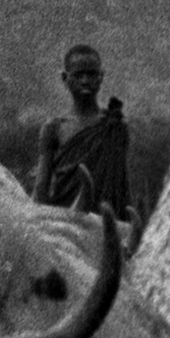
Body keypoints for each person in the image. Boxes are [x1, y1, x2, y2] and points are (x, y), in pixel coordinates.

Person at [33, 41, 131, 221]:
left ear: (101, 76)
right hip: (66, 224)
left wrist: (127, 226)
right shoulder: (54, 128)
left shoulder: (115, 126)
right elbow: (41, 189)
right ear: (65, 78)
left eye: (91, 74)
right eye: (78, 75)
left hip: (106, 223)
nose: (85, 80)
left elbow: (121, 186)